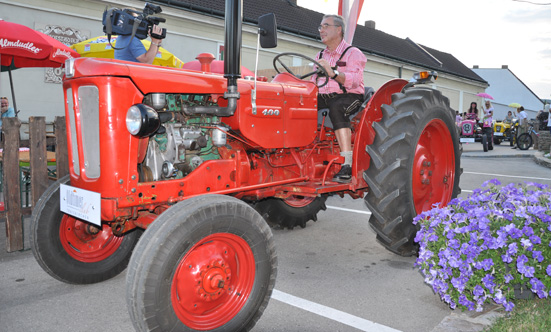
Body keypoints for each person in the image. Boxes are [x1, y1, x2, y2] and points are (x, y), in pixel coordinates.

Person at [313, 14, 366, 182]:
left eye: (325, 26)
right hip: (324, 95)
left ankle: (347, 164)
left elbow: (355, 82)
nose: (321, 30)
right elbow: (313, 81)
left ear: (338, 29)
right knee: (301, 106)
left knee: (337, 107)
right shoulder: (320, 55)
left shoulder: (353, 53)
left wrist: (333, 73)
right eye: (320, 27)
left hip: (350, 95)